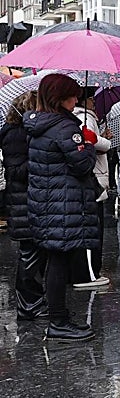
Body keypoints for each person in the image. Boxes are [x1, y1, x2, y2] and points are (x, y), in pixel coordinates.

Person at [24, 74, 99, 343]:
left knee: (55, 259)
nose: (76, 99)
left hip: (47, 204)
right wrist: (88, 145)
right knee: (59, 261)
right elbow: (82, 165)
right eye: (72, 94)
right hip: (63, 205)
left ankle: (59, 317)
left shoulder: (38, 125)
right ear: (60, 98)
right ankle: (58, 321)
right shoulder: (65, 128)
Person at [1, 93, 46, 320]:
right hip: (23, 201)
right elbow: (16, 170)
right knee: (29, 254)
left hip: (29, 199)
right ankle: (29, 305)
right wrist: (40, 155)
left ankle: (34, 301)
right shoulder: (15, 134)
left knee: (35, 253)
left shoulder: (25, 132)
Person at [72, 90, 111, 288]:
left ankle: (90, 270)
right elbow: (93, 145)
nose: (93, 102)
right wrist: (104, 141)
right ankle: (89, 273)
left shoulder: (78, 116)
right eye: (90, 98)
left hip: (92, 177)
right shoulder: (84, 117)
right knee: (93, 228)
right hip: (94, 178)